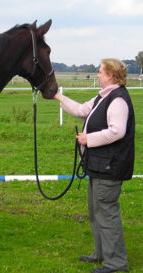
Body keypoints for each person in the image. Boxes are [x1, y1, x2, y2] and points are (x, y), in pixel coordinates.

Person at [54, 58, 134, 273]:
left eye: (100, 72)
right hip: (99, 165)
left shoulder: (117, 100)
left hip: (109, 167)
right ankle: (101, 254)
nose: (97, 75)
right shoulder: (103, 97)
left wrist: (89, 139)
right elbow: (81, 110)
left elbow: (117, 131)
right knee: (96, 212)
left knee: (106, 213)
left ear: (110, 75)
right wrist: (57, 95)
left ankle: (116, 263)